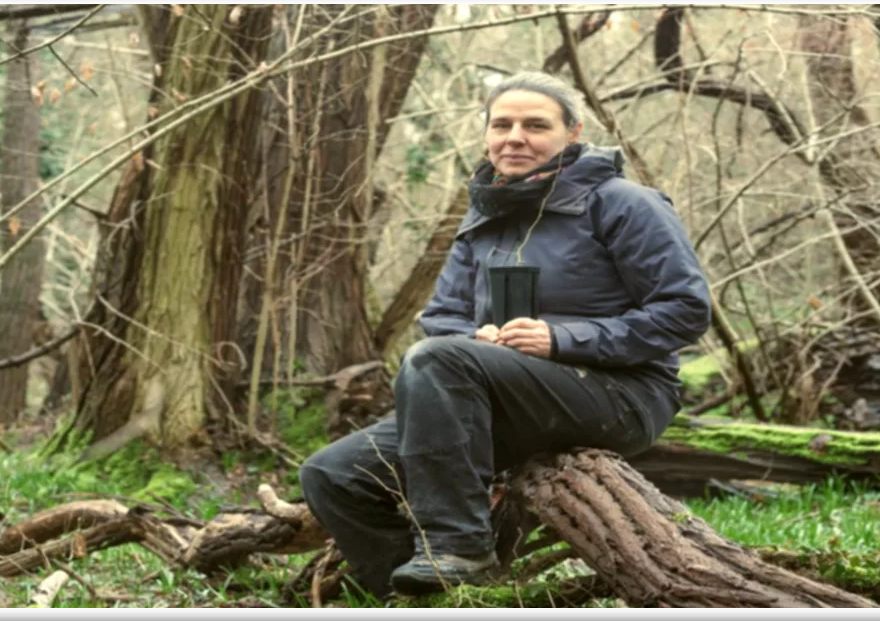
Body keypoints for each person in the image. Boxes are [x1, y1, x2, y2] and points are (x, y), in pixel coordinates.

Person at [298, 71, 712, 599]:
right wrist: (478, 339)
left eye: (535, 125)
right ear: (488, 134)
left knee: (437, 360)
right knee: (332, 475)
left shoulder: (624, 203)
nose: (515, 136)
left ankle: (459, 549)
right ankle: (427, 597)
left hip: (622, 395)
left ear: (573, 133)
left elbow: (685, 310)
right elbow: (443, 318)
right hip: (495, 399)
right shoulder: (486, 213)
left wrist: (562, 340)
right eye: (502, 124)